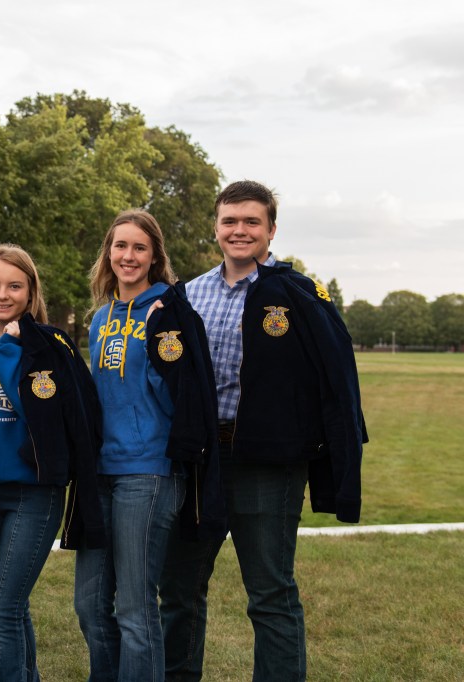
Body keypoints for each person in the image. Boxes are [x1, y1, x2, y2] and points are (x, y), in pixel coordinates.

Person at [159, 181, 367, 682]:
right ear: (216, 227)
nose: (239, 230)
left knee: (271, 594)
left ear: (271, 230)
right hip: (200, 463)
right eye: (230, 221)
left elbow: (334, 373)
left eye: (252, 221)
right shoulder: (186, 295)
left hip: (267, 466)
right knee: (179, 591)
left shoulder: (296, 294)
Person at [73, 210, 222, 682]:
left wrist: (165, 337)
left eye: (139, 247)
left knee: (136, 609)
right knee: (91, 604)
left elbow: (185, 395)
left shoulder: (171, 313)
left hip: (150, 472)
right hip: (100, 471)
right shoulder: (100, 319)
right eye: (120, 246)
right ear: (108, 253)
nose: (128, 256)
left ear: (155, 255)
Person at [0, 244, 103, 681]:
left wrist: (11, 351)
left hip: (33, 493)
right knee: (12, 608)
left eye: (14, 286)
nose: (2, 295)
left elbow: (44, 414)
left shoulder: (49, 345)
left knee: (3, 608)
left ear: (30, 291)